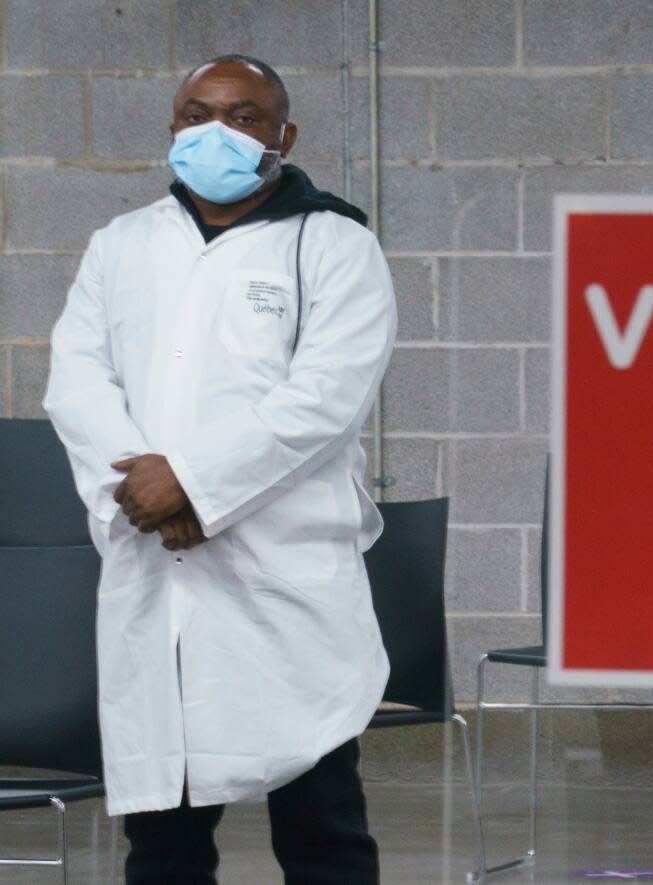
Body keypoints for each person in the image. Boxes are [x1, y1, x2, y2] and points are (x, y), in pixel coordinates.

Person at [43, 54, 395, 885]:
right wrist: (144, 493)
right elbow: (77, 381)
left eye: (242, 116)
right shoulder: (121, 244)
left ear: (284, 134)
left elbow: (324, 398)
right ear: (172, 128)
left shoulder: (334, 244)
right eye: (196, 113)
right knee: (162, 841)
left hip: (282, 577)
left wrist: (196, 482)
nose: (216, 131)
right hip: (154, 565)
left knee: (322, 832)